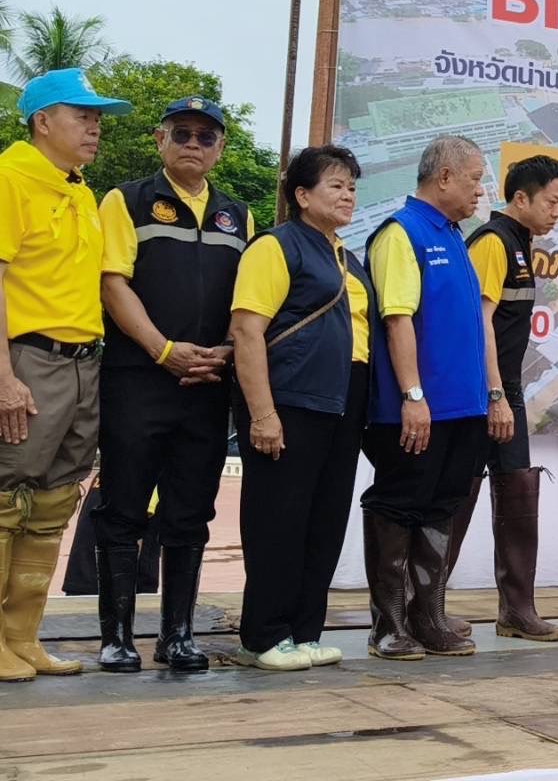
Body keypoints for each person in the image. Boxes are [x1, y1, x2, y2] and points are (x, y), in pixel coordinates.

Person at [92, 96, 251, 673]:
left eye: (205, 136)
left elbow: (245, 304)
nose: (192, 143)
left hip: (208, 385)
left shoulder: (238, 215)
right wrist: (163, 350)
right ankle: (116, 637)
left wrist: (228, 351)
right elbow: (113, 286)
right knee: (124, 508)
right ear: (159, 140)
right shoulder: (126, 200)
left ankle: (177, 636)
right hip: (139, 379)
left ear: (220, 149)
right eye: (180, 133)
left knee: (190, 512)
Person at [0, 69, 131, 683]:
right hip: (28, 359)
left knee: (53, 502)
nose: (95, 126)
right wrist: (4, 376)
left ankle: (21, 637)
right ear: (42, 121)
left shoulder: (77, 188)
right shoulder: (9, 177)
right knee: (5, 500)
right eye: (81, 114)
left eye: (97, 116)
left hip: (83, 361)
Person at [229, 146, 375, 670]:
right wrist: (263, 414)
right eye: (336, 185)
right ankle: (264, 635)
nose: (348, 195)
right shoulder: (276, 246)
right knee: (278, 520)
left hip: (342, 403)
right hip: (290, 400)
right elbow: (246, 331)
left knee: (324, 520)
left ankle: (305, 631)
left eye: (352, 186)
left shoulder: (347, 257)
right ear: (302, 195)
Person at [362, 135, 489, 659]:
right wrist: (413, 395)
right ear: (444, 178)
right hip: (416, 408)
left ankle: (427, 615)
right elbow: (398, 318)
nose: (481, 190)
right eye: (475, 178)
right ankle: (387, 624)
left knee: (443, 504)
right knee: (400, 502)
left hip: (463, 407)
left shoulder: (455, 235)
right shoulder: (402, 233)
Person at [444, 155, 558, 643]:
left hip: (504, 390)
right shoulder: (493, 242)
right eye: (552, 202)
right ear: (521, 199)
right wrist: (495, 394)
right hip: (479, 391)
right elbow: (479, 323)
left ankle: (517, 611)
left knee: (518, 489)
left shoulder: (520, 244)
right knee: (458, 494)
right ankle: (422, 607)